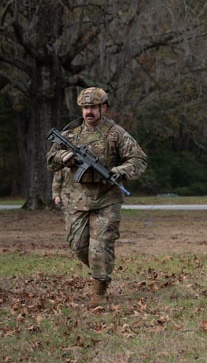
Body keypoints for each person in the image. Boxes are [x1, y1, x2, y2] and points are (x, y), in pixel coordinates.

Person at [47, 87, 147, 307]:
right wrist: (65, 156)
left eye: (93, 107)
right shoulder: (69, 134)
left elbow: (139, 159)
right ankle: (100, 269)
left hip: (107, 199)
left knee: (100, 247)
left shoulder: (116, 133)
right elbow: (50, 160)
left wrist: (119, 171)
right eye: (85, 108)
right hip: (76, 200)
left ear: (104, 107)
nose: (88, 112)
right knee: (78, 247)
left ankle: (99, 292)